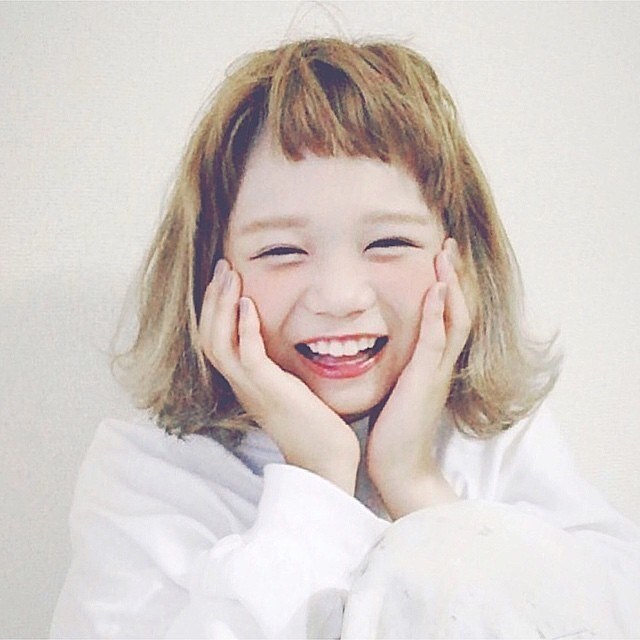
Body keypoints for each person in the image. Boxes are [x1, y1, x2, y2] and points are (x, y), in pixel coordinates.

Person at [50, 37, 640, 638]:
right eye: (282, 250)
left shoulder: (498, 442)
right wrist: (318, 476)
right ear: (209, 276)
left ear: (460, 266)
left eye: (388, 243)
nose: (339, 296)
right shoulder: (146, 475)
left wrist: (414, 482)